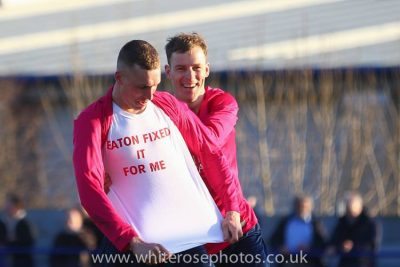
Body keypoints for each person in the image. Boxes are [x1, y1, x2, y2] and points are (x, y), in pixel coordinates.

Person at [73, 39, 241, 266]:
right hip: (129, 248)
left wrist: (232, 208)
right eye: (142, 87)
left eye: (156, 85)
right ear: (119, 78)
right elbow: (89, 189)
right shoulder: (93, 121)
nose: (151, 95)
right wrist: (132, 242)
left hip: (185, 242)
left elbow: (209, 152)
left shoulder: (167, 104)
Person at [164, 32, 267, 266]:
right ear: (168, 72)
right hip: (191, 235)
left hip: (236, 224)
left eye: (196, 68)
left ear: (207, 70)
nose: (190, 76)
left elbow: (209, 142)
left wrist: (171, 111)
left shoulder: (224, 103)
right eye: (181, 68)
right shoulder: (157, 115)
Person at [268, 195, 326, 267]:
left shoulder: (315, 223)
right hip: (288, 259)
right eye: (299, 206)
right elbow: (273, 239)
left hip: (309, 260)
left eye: (305, 206)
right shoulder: (286, 221)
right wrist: (281, 247)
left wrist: (309, 248)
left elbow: (323, 243)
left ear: (310, 207)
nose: (302, 209)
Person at [330, 192, 380, 267]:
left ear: (359, 207)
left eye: (352, 209)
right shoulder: (342, 222)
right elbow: (333, 241)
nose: (350, 212)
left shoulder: (370, 224)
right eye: (348, 209)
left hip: (364, 263)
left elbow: (372, 245)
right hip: (345, 263)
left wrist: (353, 247)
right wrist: (340, 246)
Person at [4, 193, 35, 267]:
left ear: (16, 207)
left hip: (22, 262)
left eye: (9, 206)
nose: (6, 208)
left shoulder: (24, 224)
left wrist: (9, 243)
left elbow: (27, 242)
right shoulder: (6, 222)